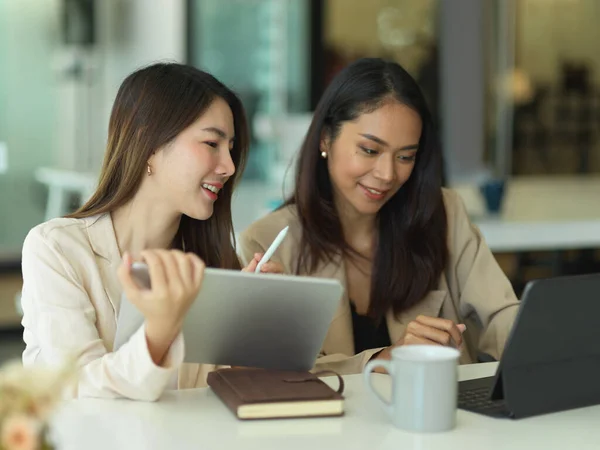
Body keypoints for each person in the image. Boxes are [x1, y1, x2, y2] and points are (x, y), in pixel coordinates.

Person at [240, 58, 519, 375]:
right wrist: (386, 360)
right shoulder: (267, 244)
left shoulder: (443, 214)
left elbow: (503, 319)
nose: (388, 174)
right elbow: (277, 374)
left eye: (405, 156)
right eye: (370, 150)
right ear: (325, 139)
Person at [21, 63, 280, 400]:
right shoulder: (56, 249)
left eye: (230, 148)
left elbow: (219, 395)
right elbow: (79, 388)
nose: (229, 167)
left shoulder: (215, 262)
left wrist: (251, 324)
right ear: (148, 143)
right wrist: (160, 328)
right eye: (212, 143)